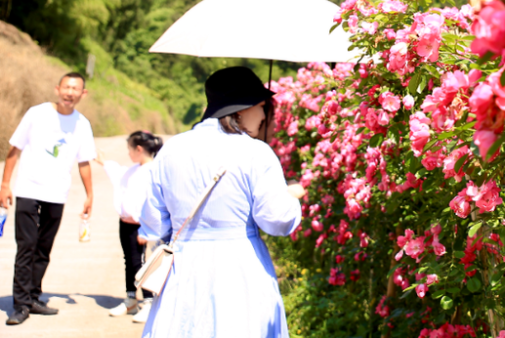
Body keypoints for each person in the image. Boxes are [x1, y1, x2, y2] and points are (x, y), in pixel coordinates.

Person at [138, 66, 304, 338]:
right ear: (240, 109)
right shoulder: (256, 153)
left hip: (183, 268)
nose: (264, 115)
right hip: (239, 268)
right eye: (261, 106)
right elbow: (277, 220)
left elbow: (153, 224)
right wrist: (291, 198)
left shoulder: (172, 149)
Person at [1, 72, 97, 327]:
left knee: (43, 248)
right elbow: (15, 149)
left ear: (82, 94)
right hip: (29, 190)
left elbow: (84, 161)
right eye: (66, 87)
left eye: (76, 89)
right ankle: (20, 305)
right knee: (27, 246)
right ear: (57, 89)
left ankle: (33, 296)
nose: (70, 92)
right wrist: (5, 184)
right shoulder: (37, 114)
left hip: (57, 193)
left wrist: (90, 195)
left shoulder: (82, 124)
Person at [95, 131, 164, 323]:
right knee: (130, 262)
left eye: (130, 149)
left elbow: (154, 202)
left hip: (140, 227)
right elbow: (119, 174)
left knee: (140, 264)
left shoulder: (153, 171)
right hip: (125, 224)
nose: (128, 153)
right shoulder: (134, 169)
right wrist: (104, 162)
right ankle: (131, 298)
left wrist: (147, 230)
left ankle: (149, 301)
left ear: (139, 149)